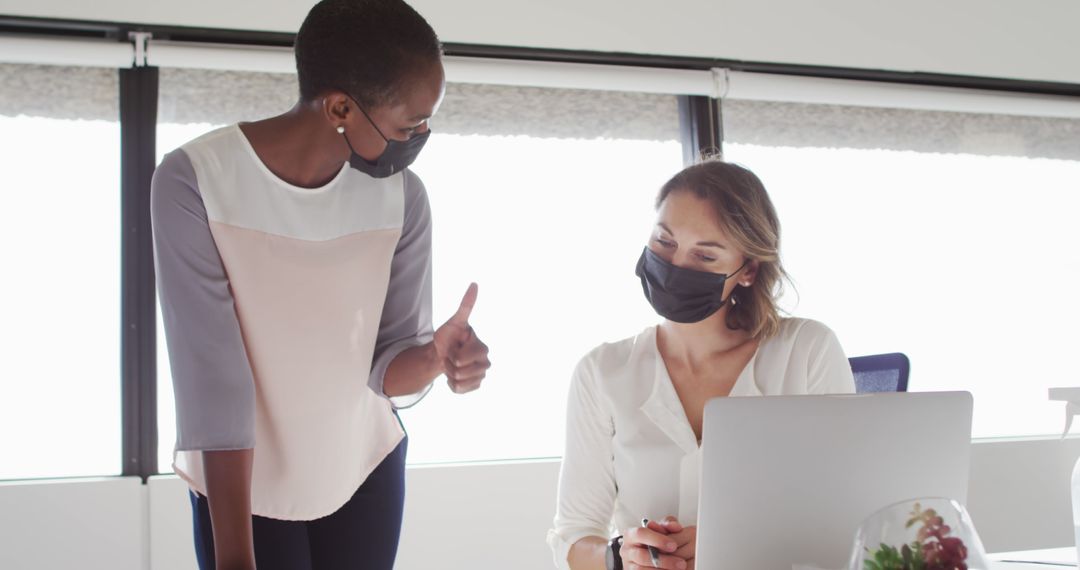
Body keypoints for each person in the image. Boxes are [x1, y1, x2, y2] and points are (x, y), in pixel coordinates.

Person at [150, 1, 491, 568]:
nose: (422, 135)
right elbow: (212, 382)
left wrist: (434, 357)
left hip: (365, 469)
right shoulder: (195, 182)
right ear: (339, 107)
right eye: (411, 124)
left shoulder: (404, 198)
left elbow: (388, 371)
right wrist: (236, 555)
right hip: (243, 487)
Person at [547, 160, 855, 570]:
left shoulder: (807, 351)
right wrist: (620, 556)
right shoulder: (601, 371)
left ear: (747, 271)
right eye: (665, 241)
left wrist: (728, 547)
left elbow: (843, 520)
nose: (676, 266)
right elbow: (572, 536)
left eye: (705, 255)